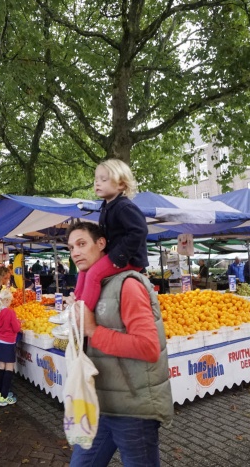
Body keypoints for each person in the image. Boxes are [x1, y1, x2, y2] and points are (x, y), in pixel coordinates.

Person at [67, 221, 173, 467]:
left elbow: (148, 348)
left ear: (101, 243)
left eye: (82, 244)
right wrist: (76, 318)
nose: (75, 253)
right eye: (71, 247)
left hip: (133, 411)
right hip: (100, 405)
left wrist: (92, 329)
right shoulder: (89, 287)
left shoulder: (128, 286)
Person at [75, 159, 148, 312]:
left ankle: (84, 314)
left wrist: (120, 256)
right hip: (113, 254)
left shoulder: (124, 207)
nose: (97, 183)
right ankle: (76, 303)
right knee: (84, 268)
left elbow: (139, 231)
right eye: (95, 180)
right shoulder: (106, 207)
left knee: (94, 274)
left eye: (103, 179)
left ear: (121, 184)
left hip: (129, 258)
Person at [0, 287, 20, 406]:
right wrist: (19, 322)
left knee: (1, 366)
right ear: (7, 300)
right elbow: (16, 328)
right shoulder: (10, 312)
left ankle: (0, 393)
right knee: (9, 368)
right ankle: (4, 396)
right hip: (8, 343)